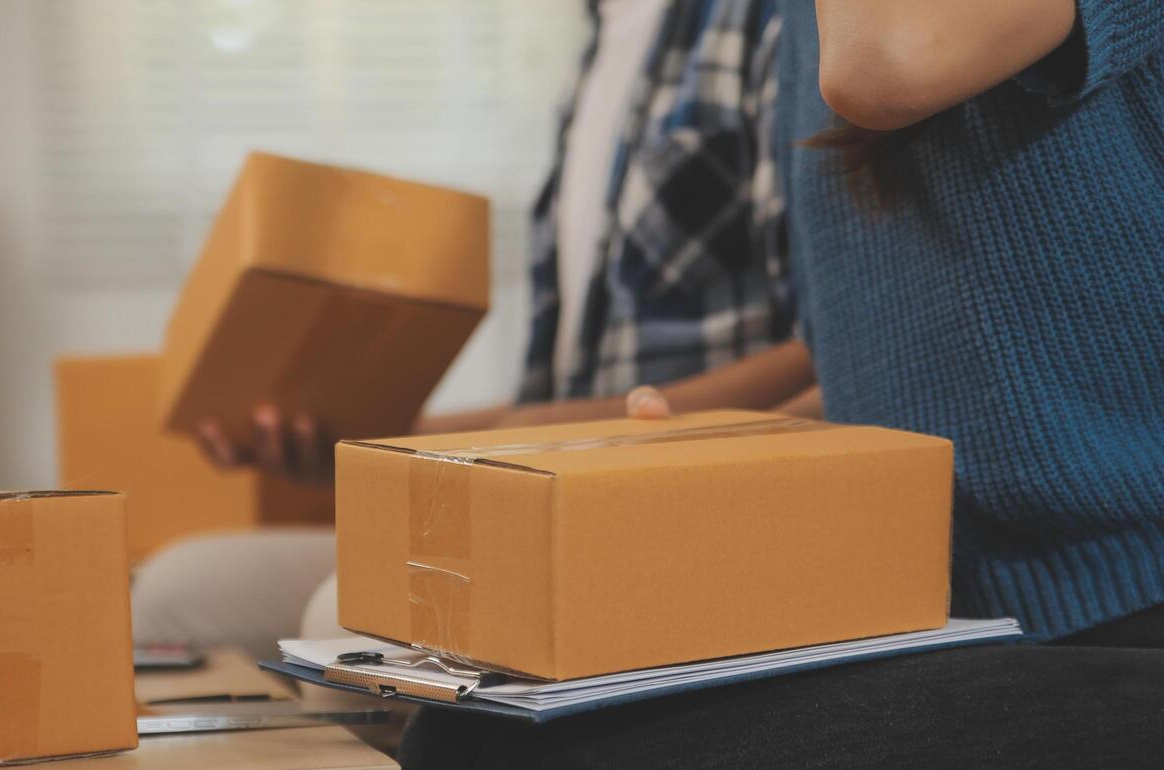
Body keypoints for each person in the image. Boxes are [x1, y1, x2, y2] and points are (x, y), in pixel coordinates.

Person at [399, 1, 1164, 770]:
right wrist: (714, 451)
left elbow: (892, 59)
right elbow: (913, 358)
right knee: (458, 748)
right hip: (990, 624)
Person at [138, 0, 815, 655]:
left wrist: (548, 436)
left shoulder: (778, 23)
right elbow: (542, 417)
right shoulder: (602, 46)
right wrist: (362, 449)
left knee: (342, 624)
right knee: (175, 591)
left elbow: (824, 356)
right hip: (543, 494)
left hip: (675, 512)